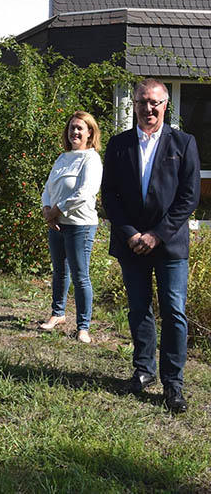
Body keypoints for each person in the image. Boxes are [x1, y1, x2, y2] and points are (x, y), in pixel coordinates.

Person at [101, 78, 200, 413]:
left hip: (170, 244)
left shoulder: (183, 143)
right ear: (135, 104)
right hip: (131, 243)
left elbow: (189, 198)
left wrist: (157, 234)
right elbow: (110, 197)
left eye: (155, 102)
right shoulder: (118, 145)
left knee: (174, 313)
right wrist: (130, 233)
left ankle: (173, 384)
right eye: (142, 101)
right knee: (139, 309)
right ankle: (144, 372)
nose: (148, 108)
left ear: (165, 105)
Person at [40, 111, 103, 344]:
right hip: (56, 224)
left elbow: (85, 193)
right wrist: (47, 210)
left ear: (89, 133)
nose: (75, 132)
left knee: (80, 276)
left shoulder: (91, 159)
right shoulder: (63, 158)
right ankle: (58, 314)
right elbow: (48, 187)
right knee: (59, 271)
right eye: (72, 128)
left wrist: (56, 210)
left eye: (80, 128)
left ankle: (83, 327)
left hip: (80, 225)